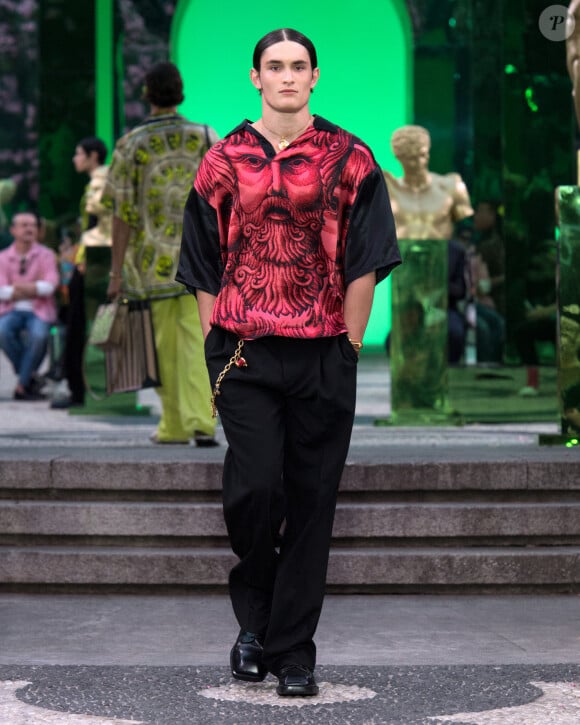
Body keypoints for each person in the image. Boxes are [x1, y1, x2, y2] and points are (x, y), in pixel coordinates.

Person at [177, 28, 400, 697]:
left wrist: (351, 346)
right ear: (254, 78)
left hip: (324, 352)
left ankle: (290, 650)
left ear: (315, 75)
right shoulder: (222, 159)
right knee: (255, 489)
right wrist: (215, 340)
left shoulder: (349, 156)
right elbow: (200, 261)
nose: (286, 76)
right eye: (274, 66)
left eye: (297, 66)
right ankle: (258, 618)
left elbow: (368, 255)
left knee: (311, 503)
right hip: (243, 351)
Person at [104, 61, 219, 446]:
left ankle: (173, 425)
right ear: (180, 90)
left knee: (161, 348)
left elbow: (121, 214)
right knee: (199, 341)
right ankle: (203, 419)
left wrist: (115, 272)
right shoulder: (205, 137)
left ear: (146, 94)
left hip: (149, 263)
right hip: (199, 259)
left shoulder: (130, 144)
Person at [51, 137, 112, 409]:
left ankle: (81, 390)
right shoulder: (99, 180)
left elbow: (101, 226)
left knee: (81, 329)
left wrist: (88, 259)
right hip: (90, 263)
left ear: (92, 156)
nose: (74, 159)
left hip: (92, 267)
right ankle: (82, 388)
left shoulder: (100, 180)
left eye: (78, 154)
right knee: (83, 328)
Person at [0, 212, 59, 400]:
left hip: (39, 310)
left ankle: (22, 384)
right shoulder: (3, 257)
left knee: (39, 335)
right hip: (10, 309)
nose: (29, 229)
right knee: (2, 332)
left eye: (33, 225)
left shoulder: (46, 255)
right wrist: (34, 288)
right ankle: (30, 377)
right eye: (24, 225)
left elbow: (50, 286)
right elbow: (1, 291)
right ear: (13, 230)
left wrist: (18, 288)